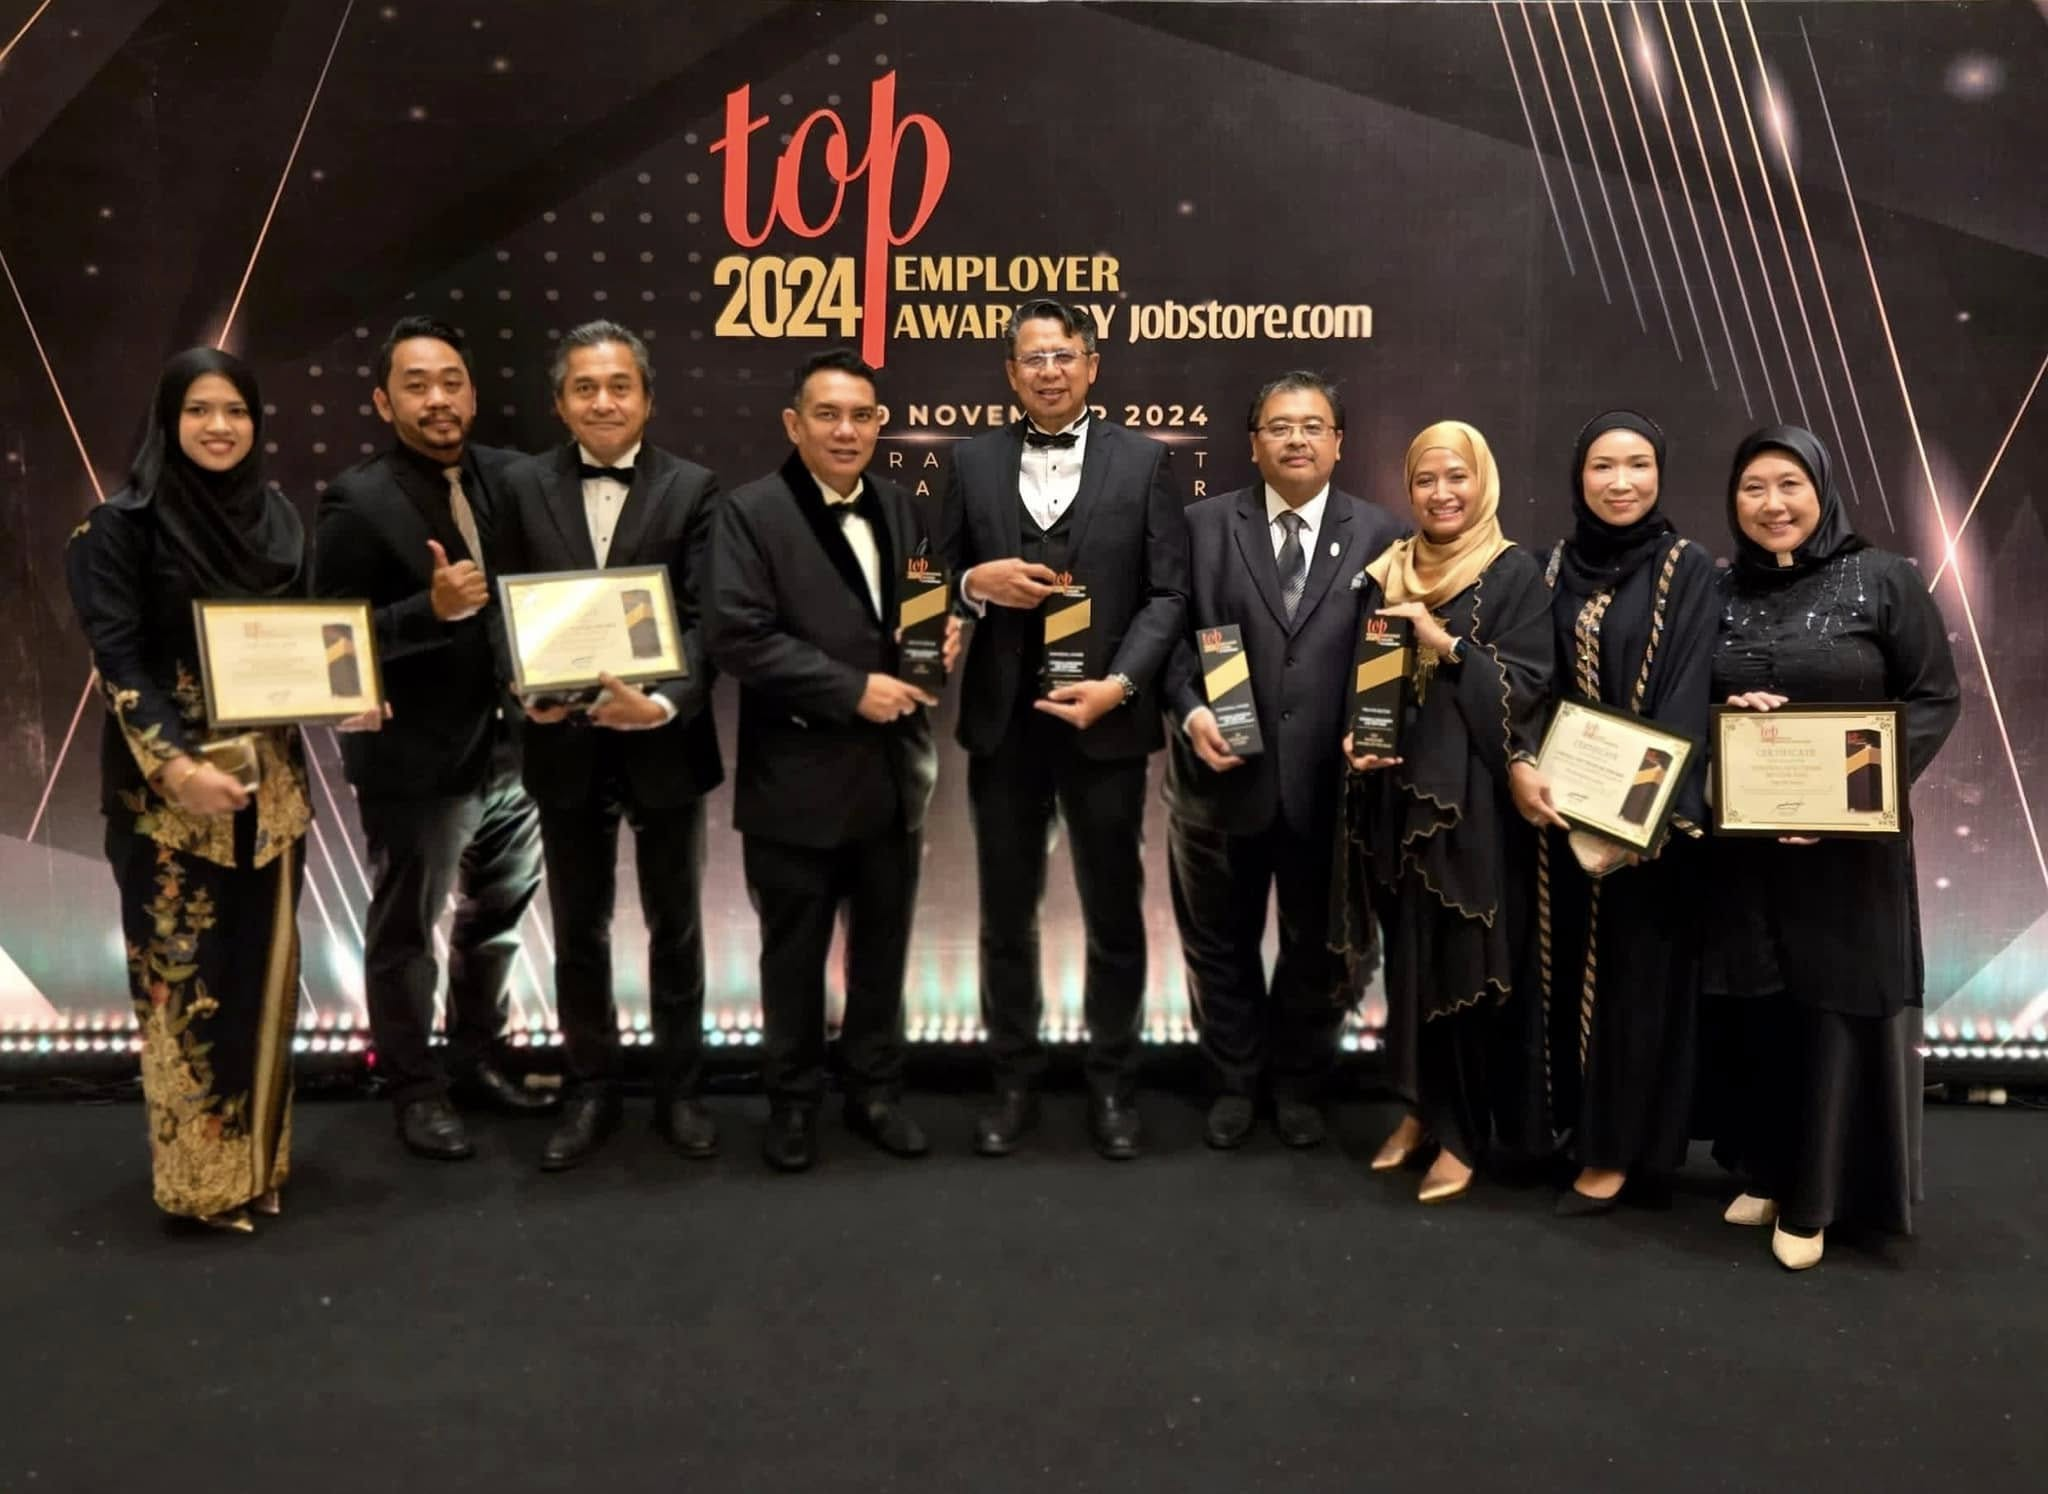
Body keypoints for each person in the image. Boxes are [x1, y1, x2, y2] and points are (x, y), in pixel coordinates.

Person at [65, 348, 314, 1231]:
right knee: (186, 991)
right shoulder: (116, 530)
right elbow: (120, 663)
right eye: (200, 409)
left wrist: (349, 696)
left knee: (265, 988)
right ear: (167, 422)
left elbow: (302, 640)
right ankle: (202, 1184)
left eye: (237, 411)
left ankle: (258, 1164)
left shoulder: (277, 519)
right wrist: (177, 767)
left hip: (270, 801)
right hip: (171, 807)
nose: (220, 426)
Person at [1702, 424, 1959, 1270]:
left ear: (1821, 491)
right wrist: (1729, 721)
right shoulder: (1719, 588)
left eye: (1790, 485)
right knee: (1761, 1008)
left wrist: (1853, 799)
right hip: (1750, 850)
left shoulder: (1883, 578)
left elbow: (1933, 697)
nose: (1772, 504)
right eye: (1753, 489)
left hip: (1846, 851)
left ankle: (1815, 1198)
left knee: (1831, 1012)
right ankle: (1770, 1168)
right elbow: (1686, 698)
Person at [939, 300, 1190, 1160]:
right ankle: (1012, 1081)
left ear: (1092, 365)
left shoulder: (1146, 462)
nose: (1049, 371)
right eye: (1032, 359)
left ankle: (1113, 1082)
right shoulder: (970, 460)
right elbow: (933, 577)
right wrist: (973, 585)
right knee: (1005, 917)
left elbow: (1169, 595)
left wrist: (1120, 685)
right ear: (1011, 374)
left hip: (1105, 723)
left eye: (1063, 355)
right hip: (1004, 724)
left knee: (1114, 914)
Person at [314, 316, 551, 1160]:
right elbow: (329, 640)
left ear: (473, 394)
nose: (438, 399)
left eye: (451, 382)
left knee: (497, 919)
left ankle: (477, 1059)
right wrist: (430, 610)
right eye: (416, 385)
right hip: (415, 759)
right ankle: (415, 1090)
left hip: (517, 749)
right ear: (384, 402)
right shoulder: (355, 499)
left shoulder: (518, 478)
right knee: (408, 933)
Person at [490, 321, 723, 1170]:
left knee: (677, 928)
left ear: (648, 399)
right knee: (578, 930)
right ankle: (589, 1089)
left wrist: (661, 705)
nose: (603, 402)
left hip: (664, 743)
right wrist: (522, 689)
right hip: (564, 745)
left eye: (620, 386)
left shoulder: (694, 487)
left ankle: (680, 1090)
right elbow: (502, 607)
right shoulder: (519, 487)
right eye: (585, 388)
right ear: (559, 403)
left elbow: (707, 620)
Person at [705, 349, 939, 1172]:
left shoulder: (900, 505)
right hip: (795, 780)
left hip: (892, 777)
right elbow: (736, 635)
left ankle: (874, 1093)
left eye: (862, 416)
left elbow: (918, 612)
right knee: (793, 957)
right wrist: (851, 689)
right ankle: (793, 1102)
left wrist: (938, 644)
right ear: (793, 424)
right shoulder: (750, 512)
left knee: (882, 953)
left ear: (879, 426)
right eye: (828, 414)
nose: (847, 430)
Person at [1161, 372, 1403, 1149]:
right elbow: (1165, 637)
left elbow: (1390, 652)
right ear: (1253, 442)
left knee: (1319, 946)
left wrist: (1372, 729)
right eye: (1279, 426)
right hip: (1217, 777)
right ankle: (1233, 1082)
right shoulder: (1199, 526)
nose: (1296, 439)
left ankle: (1298, 1082)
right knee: (1217, 944)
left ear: (1339, 442)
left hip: (1329, 788)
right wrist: (1191, 710)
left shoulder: (1383, 535)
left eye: (1312, 426)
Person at [1337, 420, 1554, 1203]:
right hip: (1397, 800)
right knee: (1409, 962)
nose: (1441, 494)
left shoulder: (1513, 572)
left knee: (1464, 965)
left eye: (1457, 477)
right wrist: (1356, 736)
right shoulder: (1388, 569)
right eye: (1426, 480)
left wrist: (1447, 644)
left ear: (1482, 481)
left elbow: (1532, 688)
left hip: (1473, 810)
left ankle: (1462, 1133)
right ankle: (1418, 1109)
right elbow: (1365, 677)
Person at [1523, 411, 1717, 1215]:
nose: (1621, 482)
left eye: (1638, 464)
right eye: (1603, 466)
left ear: (1660, 474)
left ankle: (1618, 1151)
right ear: (1579, 476)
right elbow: (1532, 679)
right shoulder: (1549, 567)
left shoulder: (1686, 567)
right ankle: (1566, 1127)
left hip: (1645, 829)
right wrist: (1525, 766)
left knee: (1635, 984)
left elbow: (1687, 690)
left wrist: (1645, 816)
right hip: (1559, 816)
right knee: (1563, 969)